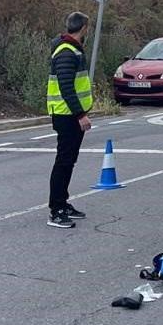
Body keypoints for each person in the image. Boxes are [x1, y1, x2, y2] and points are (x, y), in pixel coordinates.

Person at [46, 12, 93, 229]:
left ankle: (63, 203)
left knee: (68, 161)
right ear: (84, 28)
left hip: (69, 114)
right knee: (64, 162)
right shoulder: (66, 51)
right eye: (87, 28)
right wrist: (80, 115)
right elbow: (66, 86)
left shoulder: (71, 49)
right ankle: (56, 210)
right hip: (67, 115)